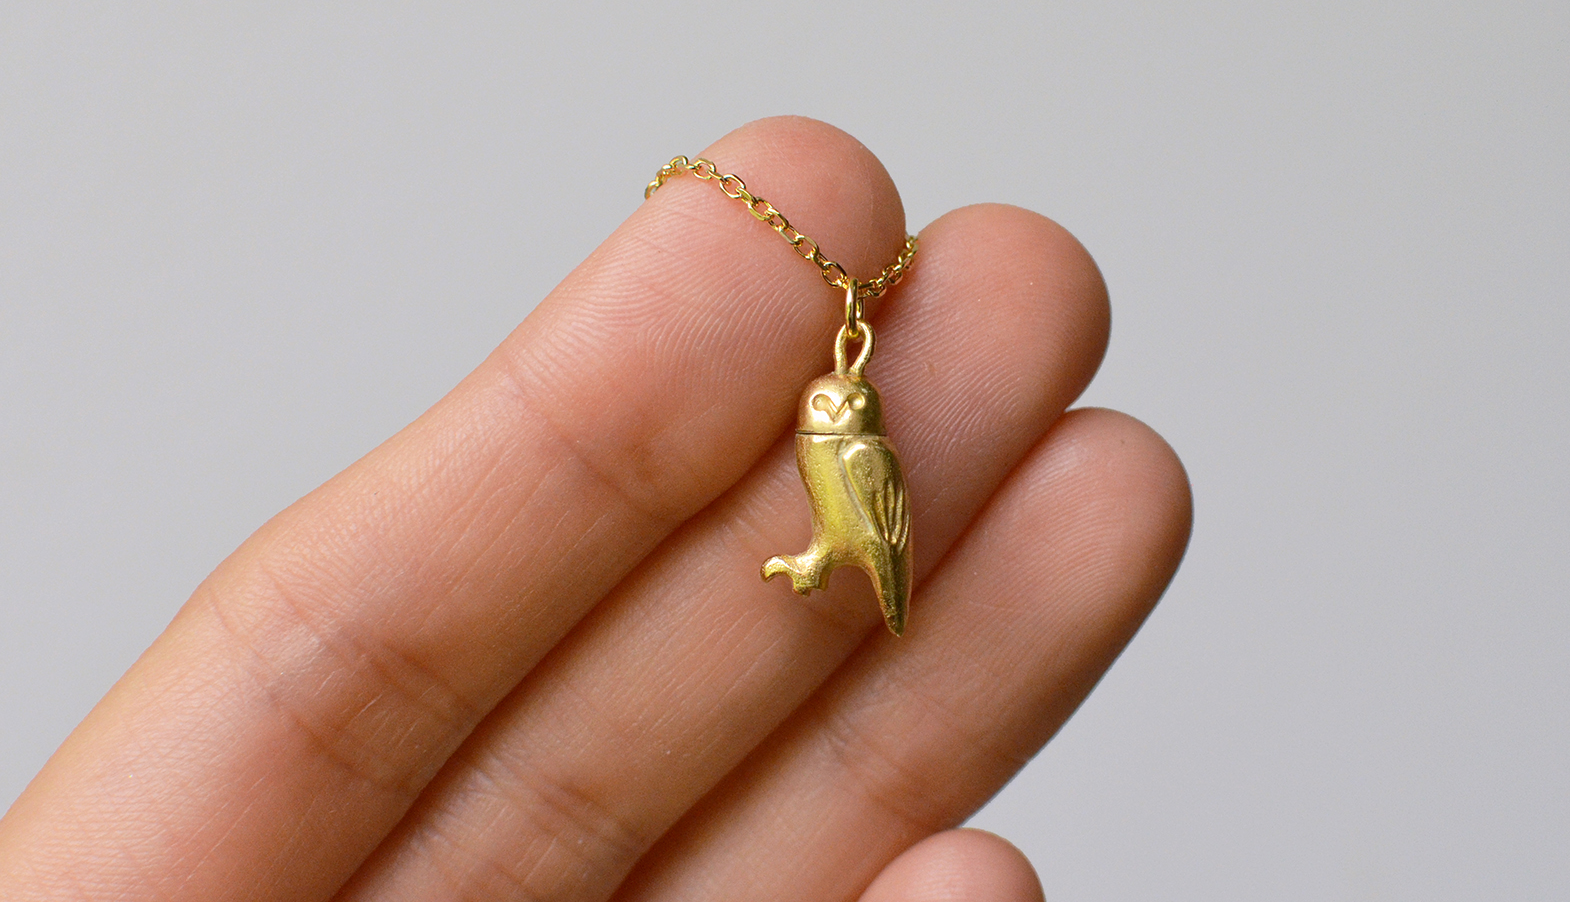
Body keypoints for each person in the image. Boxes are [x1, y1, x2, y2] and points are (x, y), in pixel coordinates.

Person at [0, 117, 1192, 902]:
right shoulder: (827, 421)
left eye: (839, 406)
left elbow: (873, 511)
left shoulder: (866, 448)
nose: (830, 412)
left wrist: (859, 554)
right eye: (829, 406)